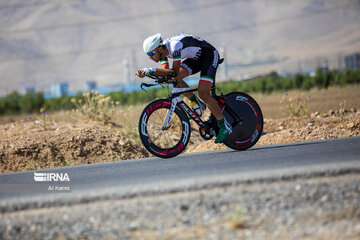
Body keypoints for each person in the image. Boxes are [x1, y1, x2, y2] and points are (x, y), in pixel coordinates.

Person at [136, 33, 232, 143]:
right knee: (173, 79)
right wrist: (147, 73)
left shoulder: (174, 46)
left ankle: (225, 126)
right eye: (148, 54)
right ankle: (196, 104)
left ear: (159, 48)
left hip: (209, 55)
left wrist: (152, 70)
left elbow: (174, 71)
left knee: (203, 93)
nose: (150, 57)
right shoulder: (163, 54)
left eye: (151, 53)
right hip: (196, 59)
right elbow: (166, 73)